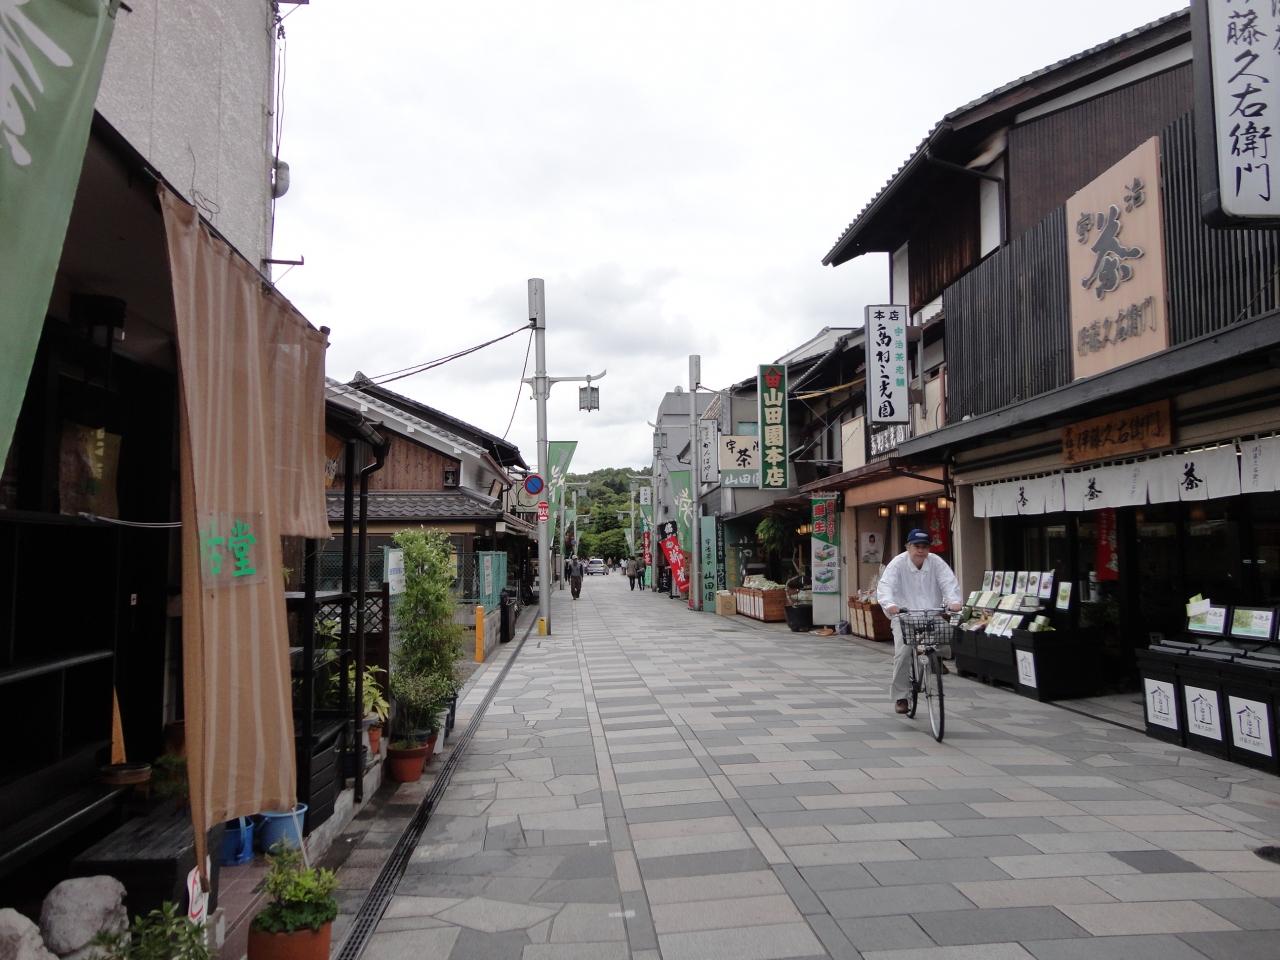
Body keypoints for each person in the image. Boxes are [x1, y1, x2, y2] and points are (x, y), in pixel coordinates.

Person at [876, 528, 962, 715]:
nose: (921, 550)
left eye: (925, 546)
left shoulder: (936, 562)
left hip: (929, 614)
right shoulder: (898, 564)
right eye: (917, 546)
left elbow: (948, 583)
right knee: (903, 653)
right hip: (904, 616)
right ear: (908, 546)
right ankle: (901, 696)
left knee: (946, 631)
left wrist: (953, 601)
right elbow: (886, 586)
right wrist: (890, 604)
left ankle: (935, 657)